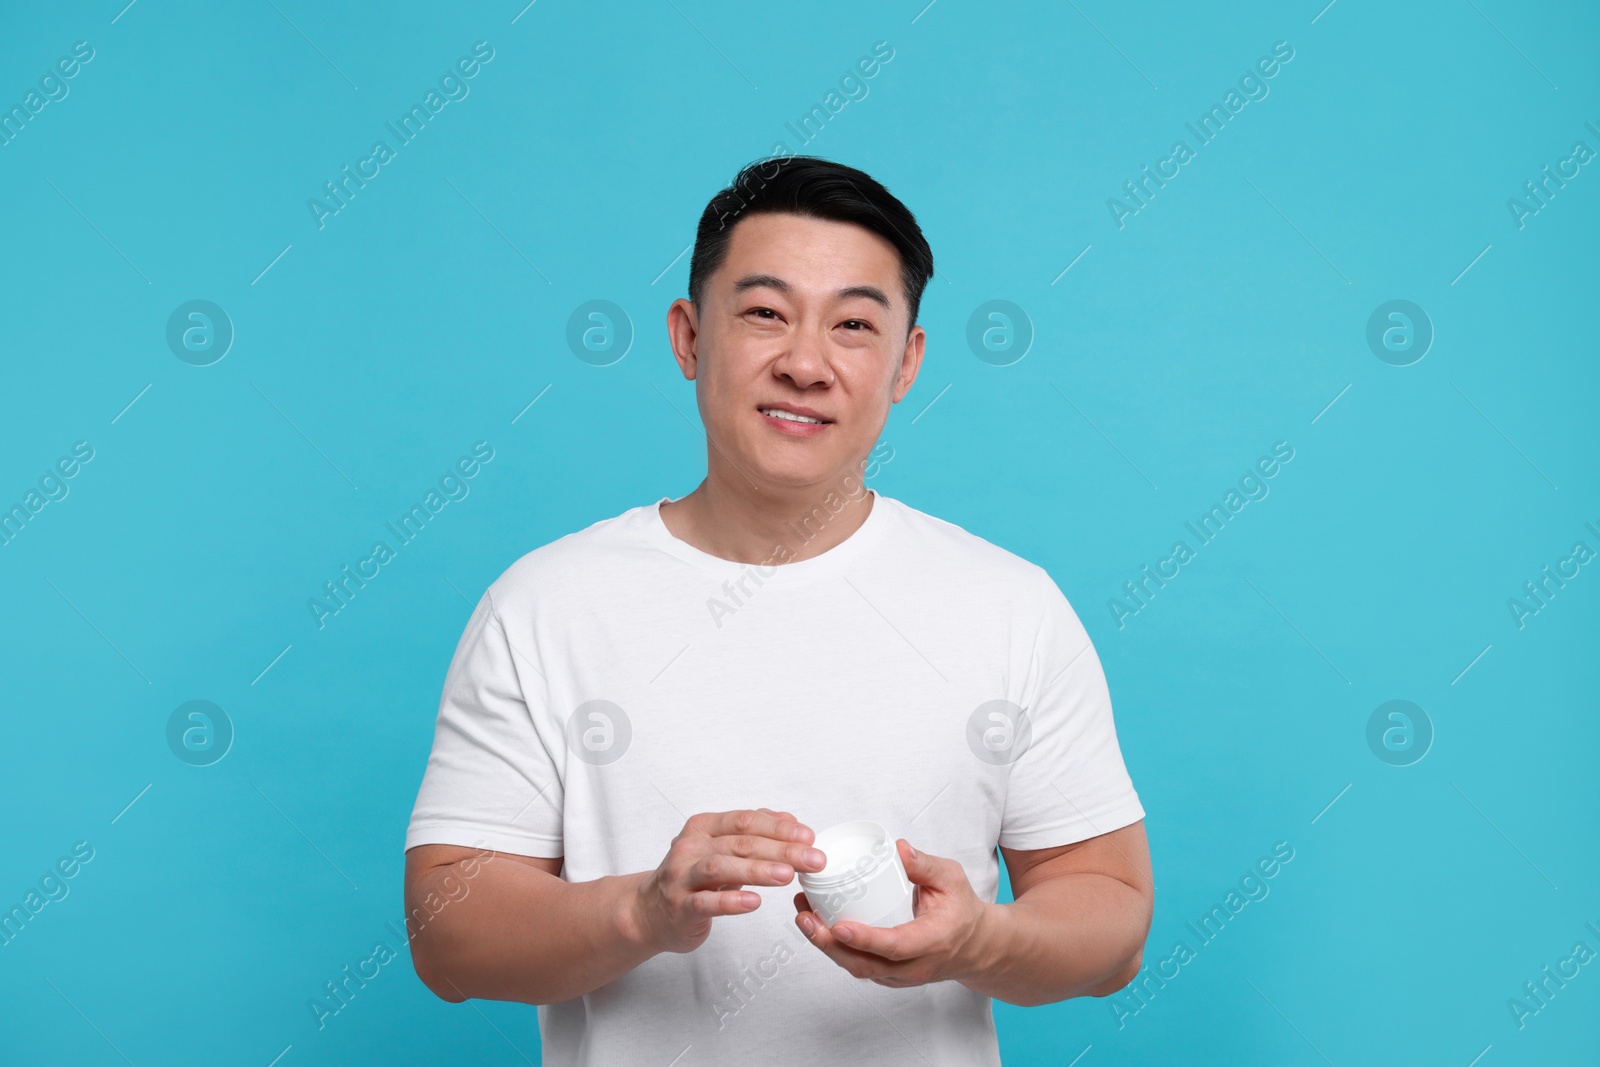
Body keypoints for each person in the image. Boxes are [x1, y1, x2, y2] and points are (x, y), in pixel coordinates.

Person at [403, 155, 1153, 1065]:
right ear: (688, 337)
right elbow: (446, 934)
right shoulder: (544, 605)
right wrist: (641, 910)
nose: (806, 363)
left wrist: (975, 941)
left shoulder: (1011, 606)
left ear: (906, 362)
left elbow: (1112, 920)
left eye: (854, 325)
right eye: (764, 313)